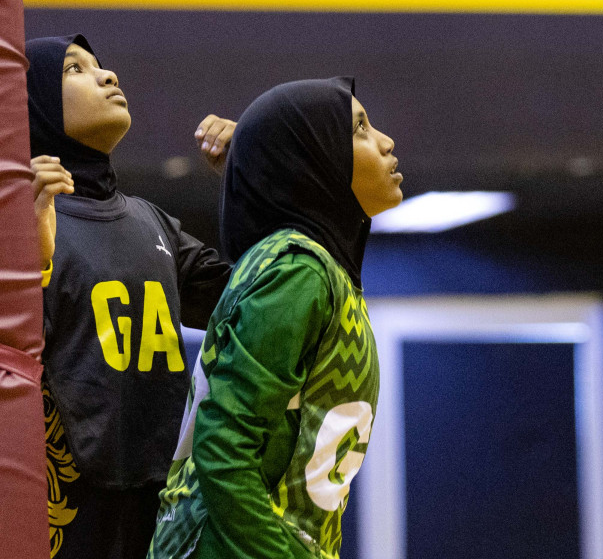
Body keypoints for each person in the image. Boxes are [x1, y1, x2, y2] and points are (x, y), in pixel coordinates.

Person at [149, 78, 401, 559]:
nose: (386, 142)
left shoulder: (317, 270)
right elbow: (223, 448)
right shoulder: (296, 270)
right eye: (361, 129)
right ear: (316, 159)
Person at [27, 34, 235, 559]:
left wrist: (250, 178)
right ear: (30, 103)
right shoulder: (20, 220)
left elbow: (250, 303)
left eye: (102, 66)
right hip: (60, 502)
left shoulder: (150, 220)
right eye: (75, 69)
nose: (108, 76)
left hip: (162, 496)